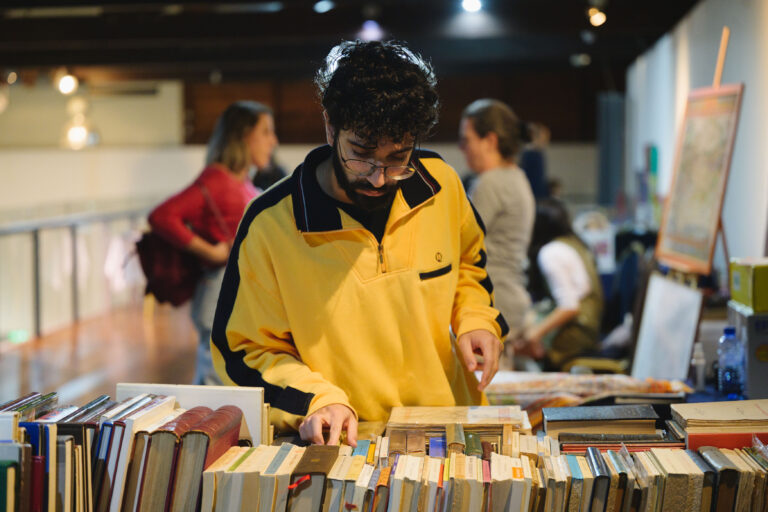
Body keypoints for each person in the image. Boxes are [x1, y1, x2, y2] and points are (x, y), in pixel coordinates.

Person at [210, 40, 507, 446]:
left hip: (450, 431)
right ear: (331, 126)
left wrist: (476, 320)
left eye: (398, 157)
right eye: (361, 154)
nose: (378, 177)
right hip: (348, 440)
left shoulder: (441, 185)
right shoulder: (270, 224)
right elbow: (244, 350)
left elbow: (470, 268)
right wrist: (315, 400)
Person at [148, 101, 278, 385]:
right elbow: (162, 215)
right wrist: (211, 251)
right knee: (213, 380)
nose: (273, 141)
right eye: (266, 132)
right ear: (244, 135)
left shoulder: (240, 180)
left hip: (235, 292)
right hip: (219, 291)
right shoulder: (218, 179)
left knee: (223, 379)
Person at [459, 99, 535, 348]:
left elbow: (457, 240)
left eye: (467, 140)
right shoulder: (516, 178)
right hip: (510, 298)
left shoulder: (492, 183)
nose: (463, 149)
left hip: (494, 301)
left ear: (490, 141)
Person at [516, 198, 603, 370]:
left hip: (574, 336)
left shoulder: (551, 253)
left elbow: (569, 307)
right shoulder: (575, 243)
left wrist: (535, 334)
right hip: (590, 329)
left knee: (513, 343)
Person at [519, 122, 551, 199]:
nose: (546, 142)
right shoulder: (530, 154)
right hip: (533, 196)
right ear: (535, 137)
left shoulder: (538, 153)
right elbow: (528, 178)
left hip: (538, 196)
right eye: (544, 139)